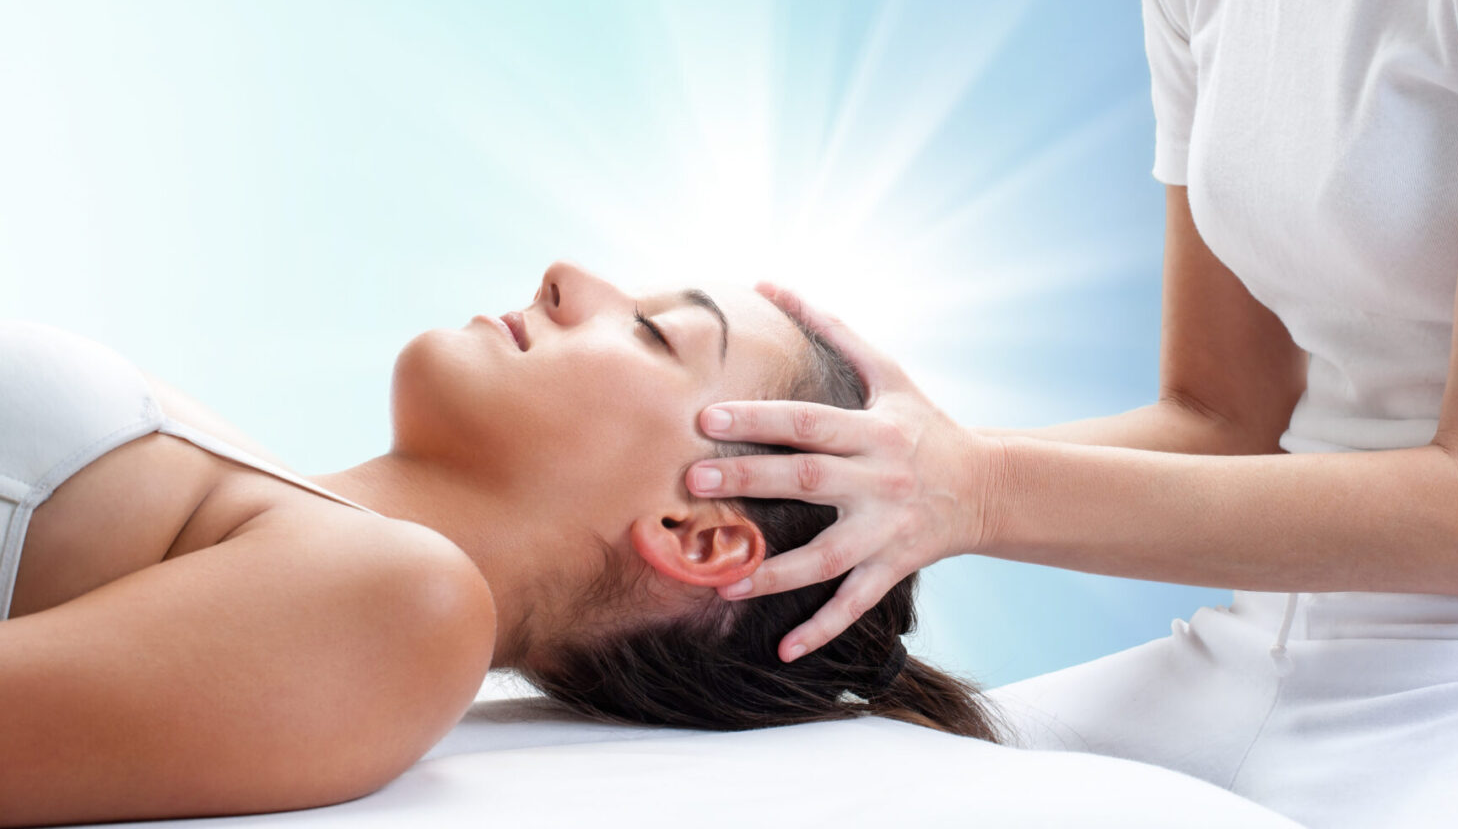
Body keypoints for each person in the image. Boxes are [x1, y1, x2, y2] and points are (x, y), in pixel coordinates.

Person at [682, 0, 1458, 824]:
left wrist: (978, 491)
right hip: (1257, 649)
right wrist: (885, 475)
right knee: (781, 789)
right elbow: (1222, 417)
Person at [0, 261, 1000, 827]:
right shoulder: (259, 516)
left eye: (655, 335)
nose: (568, 279)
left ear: (697, 536)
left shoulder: (397, 608)